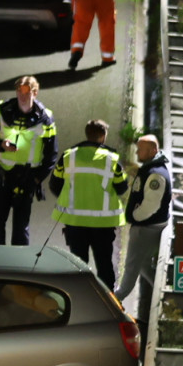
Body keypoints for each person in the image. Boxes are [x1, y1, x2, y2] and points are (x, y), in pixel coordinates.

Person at [0, 76, 59, 245]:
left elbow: (52, 153)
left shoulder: (45, 118)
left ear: (35, 93)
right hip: (2, 174)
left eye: (26, 92)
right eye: (18, 91)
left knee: (20, 226)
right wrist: (1, 144)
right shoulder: (3, 110)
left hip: (26, 177)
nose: (21, 96)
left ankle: (19, 265)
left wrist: (37, 178)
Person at [49, 119, 129, 287]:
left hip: (75, 222)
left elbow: (55, 184)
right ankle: (108, 303)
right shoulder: (111, 159)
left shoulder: (68, 156)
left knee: (77, 266)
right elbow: (122, 187)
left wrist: (72, 197)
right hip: (103, 224)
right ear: (103, 136)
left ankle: (77, 299)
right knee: (104, 266)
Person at [115, 135, 172, 308]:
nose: (137, 152)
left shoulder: (155, 175)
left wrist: (134, 217)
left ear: (153, 151)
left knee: (132, 263)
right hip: (147, 226)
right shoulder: (150, 169)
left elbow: (150, 206)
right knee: (144, 265)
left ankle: (116, 298)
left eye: (141, 149)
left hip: (146, 228)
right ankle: (167, 297)